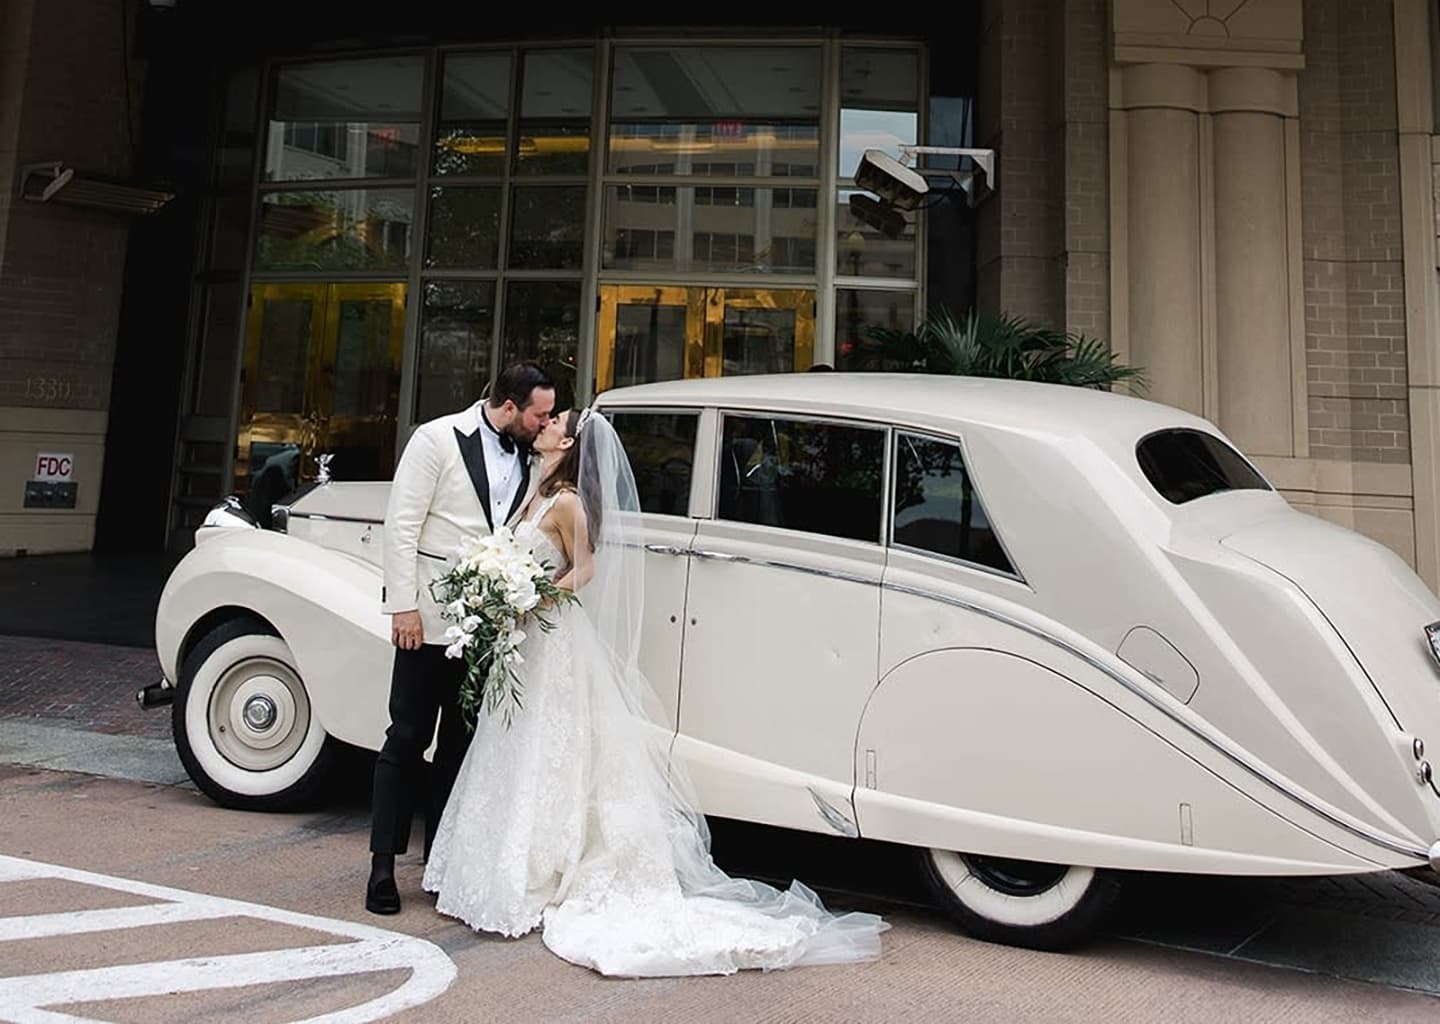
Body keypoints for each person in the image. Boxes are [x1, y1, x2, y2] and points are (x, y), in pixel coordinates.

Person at [422, 407, 888, 976]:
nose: (541, 425)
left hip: (551, 634)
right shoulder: (534, 491)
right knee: (512, 745)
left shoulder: (567, 502)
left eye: (553, 422)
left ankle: (542, 865)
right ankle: (492, 864)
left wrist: (532, 595)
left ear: (568, 441)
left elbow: (585, 568)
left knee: (552, 744)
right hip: (525, 642)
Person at [366, 361, 557, 915]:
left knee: (460, 746)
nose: (544, 423)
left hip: (489, 627)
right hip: (426, 621)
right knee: (405, 739)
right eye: (538, 414)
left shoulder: (531, 456)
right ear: (508, 406)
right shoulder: (436, 438)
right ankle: (382, 867)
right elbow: (401, 524)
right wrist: (403, 606)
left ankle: (438, 864)